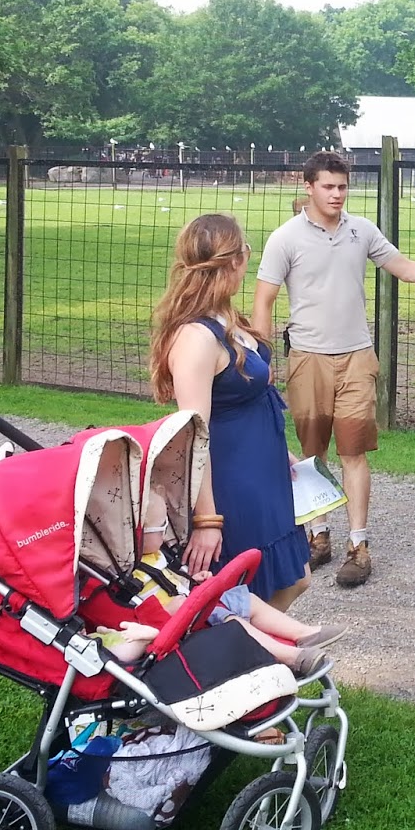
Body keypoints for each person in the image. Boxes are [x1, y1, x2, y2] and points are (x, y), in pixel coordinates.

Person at [253, 150, 415, 588]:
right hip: (308, 358)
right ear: (308, 187)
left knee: (354, 452)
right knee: (312, 454)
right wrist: (262, 360)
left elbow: (405, 269)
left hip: (356, 356)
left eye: (342, 187)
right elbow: (264, 301)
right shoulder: (285, 238)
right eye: (328, 187)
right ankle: (318, 536)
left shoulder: (361, 231)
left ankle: (359, 545)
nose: (337, 194)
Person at [149, 213, 313, 610]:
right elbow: (193, 434)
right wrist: (208, 521)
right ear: (237, 259)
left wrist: (280, 453)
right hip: (231, 483)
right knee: (248, 591)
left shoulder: (226, 318)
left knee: (295, 578)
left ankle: (257, 646)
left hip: (264, 470)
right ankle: (248, 647)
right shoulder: (196, 338)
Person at [95, 514, 346, 677]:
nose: (165, 534)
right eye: (160, 527)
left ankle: (303, 633)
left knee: (246, 599)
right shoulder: (128, 573)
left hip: (196, 604)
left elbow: (174, 579)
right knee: (231, 621)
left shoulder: (155, 555)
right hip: (178, 626)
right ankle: (292, 658)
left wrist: (195, 579)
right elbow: (147, 612)